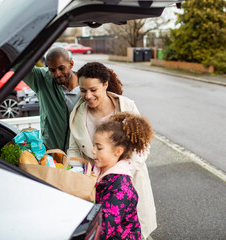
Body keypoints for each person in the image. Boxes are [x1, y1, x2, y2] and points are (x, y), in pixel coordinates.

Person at [67, 62, 157, 239]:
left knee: (131, 228)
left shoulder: (126, 107)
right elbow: (74, 149)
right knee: (106, 227)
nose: (88, 96)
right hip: (96, 183)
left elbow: (143, 144)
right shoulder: (77, 113)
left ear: (105, 85)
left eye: (93, 90)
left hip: (127, 179)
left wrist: (121, 172)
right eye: (83, 91)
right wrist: (79, 175)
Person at [93, 112, 153, 240]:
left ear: (118, 151)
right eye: (94, 146)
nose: (93, 151)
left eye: (99, 148)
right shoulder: (99, 171)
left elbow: (103, 228)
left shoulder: (120, 187)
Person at [23, 47, 80, 151]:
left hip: (79, 153)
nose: (57, 74)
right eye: (52, 70)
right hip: (51, 152)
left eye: (61, 68)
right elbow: (19, 64)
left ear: (71, 64)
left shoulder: (87, 87)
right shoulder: (42, 80)